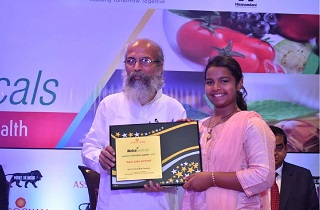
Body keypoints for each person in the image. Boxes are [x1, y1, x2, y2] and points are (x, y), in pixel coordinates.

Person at [81, 38, 187, 210]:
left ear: (159, 68)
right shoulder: (109, 104)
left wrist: (167, 180)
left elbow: (180, 166)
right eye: (131, 61)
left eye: (145, 61)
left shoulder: (174, 108)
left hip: (159, 205)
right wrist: (100, 159)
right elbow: (88, 150)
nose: (136, 67)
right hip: (114, 205)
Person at [181, 55, 275, 210]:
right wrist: (178, 136)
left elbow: (263, 176)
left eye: (224, 81)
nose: (216, 87)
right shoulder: (199, 128)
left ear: (239, 84)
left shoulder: (251, 124)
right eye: (210, 82)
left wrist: (212, 179)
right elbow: (186, 173)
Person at [269, 125, 319, 210]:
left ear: (286, 149)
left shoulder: (303, 177)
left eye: (278, 147)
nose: (274, 153)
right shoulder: (250, 177)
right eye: (269, 147)